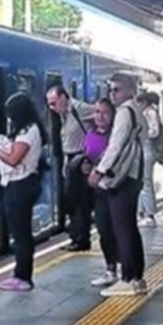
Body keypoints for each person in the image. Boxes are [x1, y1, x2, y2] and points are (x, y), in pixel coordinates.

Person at [88, 73, 147, 297]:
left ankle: (128, 278)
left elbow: (117, 145)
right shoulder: (136, 110)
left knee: (122, 228)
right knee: (130, 227)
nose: (113, 94)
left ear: (130, 90)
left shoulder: (124, 112)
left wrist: (100, 171)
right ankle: (137, 279)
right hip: (133, 175)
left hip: (123, 178)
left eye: (117, 89)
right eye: (111, 90)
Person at [0, 93, 46, 292]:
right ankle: (21, 274)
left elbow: (13, 159)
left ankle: (23, 276)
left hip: (21, 185)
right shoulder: (31, 129)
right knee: (21, 232)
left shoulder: (29, 132)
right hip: (20, 184)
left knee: (21, 233)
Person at [76, 98, 119, 287]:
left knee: (120, 229)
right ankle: (110, 269)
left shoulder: (117, 136)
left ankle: (126, 269)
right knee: (103, 229)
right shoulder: (91, 134)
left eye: (105, 112)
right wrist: (85, 166)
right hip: (98, 188)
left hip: (116, 186)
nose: (100, 116)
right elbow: (88, 154)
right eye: (97, 112)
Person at [46, 85, 94, 251]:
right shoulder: (64, 114)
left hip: (81, 159)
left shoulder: (80, 109)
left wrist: (93, 150)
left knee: (80, 201)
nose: (52, 108)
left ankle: (82, 239)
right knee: (72, 201)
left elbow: (103, 117)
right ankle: (75, 236)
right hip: (71, 159)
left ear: (63, 97)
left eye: (53, 103)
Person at [135, 92, 160, 227]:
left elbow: (155, 131)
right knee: (142, 181)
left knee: (146, 181)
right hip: (143, 148)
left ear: (145, 102)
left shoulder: (150, 113)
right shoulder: (146, 113)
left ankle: (150, 214)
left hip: (147, 148)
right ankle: (141, 212)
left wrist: (140, 133)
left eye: (139, 103)